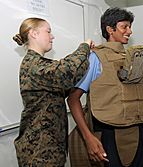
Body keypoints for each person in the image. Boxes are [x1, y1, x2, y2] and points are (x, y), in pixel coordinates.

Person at [67, 7, 143, 167]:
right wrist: (88, 137)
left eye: (130, 26)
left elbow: (135, 93)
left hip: (136, 131)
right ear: (110, 29)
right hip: (109, 132)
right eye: (125, 26)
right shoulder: (96, 58)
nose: (130, 31)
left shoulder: (132, 57)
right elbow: (73, 99)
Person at [13, 17, 94, 166]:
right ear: (34, 34)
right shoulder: (34, 65)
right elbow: (68, 71)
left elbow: (70, 76)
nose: (52, 36)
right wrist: (84, 47)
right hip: (39, 153)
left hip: (48, 149)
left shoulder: (41, 64)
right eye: (48, 31)